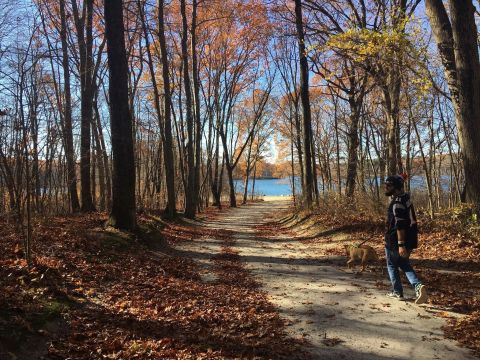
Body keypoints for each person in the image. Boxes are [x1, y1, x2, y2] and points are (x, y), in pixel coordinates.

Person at [384, 174, 427, 304]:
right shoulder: (405, 197)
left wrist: (401, 244)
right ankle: (418, 286)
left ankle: (397, 292)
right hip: (410, 239)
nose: (385, 187)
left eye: (388, 185)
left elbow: (400, 225)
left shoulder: (397, 203)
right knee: (403, 263)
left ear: (396, 187)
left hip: (396, 241)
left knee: (392, 265)